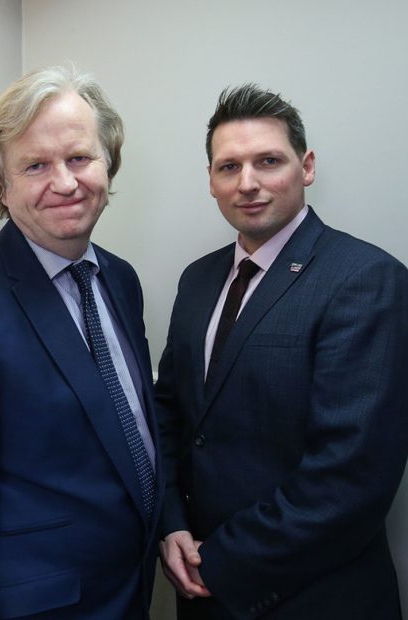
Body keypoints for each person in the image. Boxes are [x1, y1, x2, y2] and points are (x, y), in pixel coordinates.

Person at [0, 65, 161, 620]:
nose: (64, 182)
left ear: (109, 163)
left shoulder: (120, 279)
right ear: (2, 181)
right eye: (36, 165)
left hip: (129, 589)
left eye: (80, 158)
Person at [156, 83, 408, 619]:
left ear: (306, 166)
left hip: (314, 597)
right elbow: (170, 415)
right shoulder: (197, 280)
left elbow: (352, 474)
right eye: (229, 167)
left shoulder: (366, 279)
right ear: (211, 181)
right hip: (199, 584)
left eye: (268, 161)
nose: (247, 183)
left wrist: (221, 562)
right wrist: (171, 524)